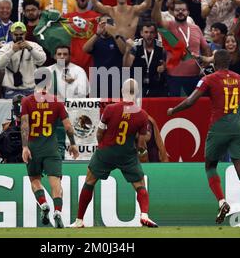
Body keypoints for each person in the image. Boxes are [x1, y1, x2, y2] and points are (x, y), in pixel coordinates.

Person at [167, 49, 240, 228]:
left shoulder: (209, 79)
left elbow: (191, 101)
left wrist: (173, 110)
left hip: (218, 128)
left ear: (214, 63)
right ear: (229, 63)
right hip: (237, 129)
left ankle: (222, 201)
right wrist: (239, 106)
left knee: (210, 166)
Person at [70, 78, 158, 228]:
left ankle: (79, 220)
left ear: (122, 92)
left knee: (90, 181)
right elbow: (142, 143)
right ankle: (144, 215)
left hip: (106, 151)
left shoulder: (111, 109)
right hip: (127, 154)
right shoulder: (142, 115)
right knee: (140, 184)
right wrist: (140, 152)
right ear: (136, 93)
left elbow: (99, 133)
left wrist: (102, 146)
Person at [21, 70, 79, 228]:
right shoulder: (56, 102)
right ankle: (58, 211)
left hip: (33, 147)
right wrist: (73, 144)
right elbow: (68, 126)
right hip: (51, 148)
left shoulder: (27, 101)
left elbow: (24, 125)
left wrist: (25, 147)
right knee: (56, 183)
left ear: (35, 81)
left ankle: (43, 203)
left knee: (35, 180)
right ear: (50, 83)